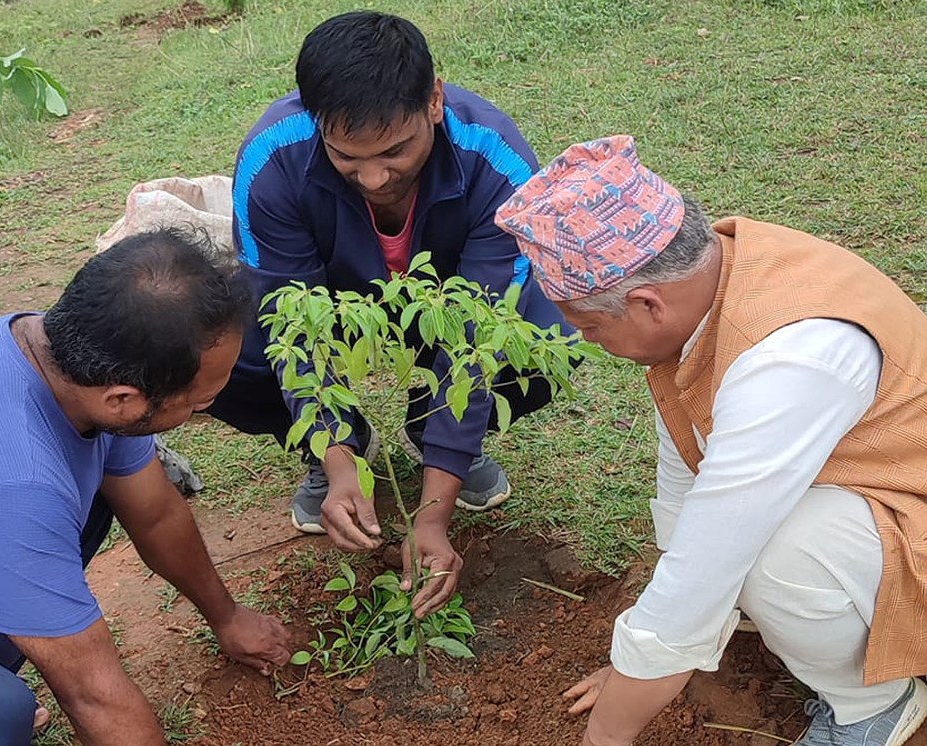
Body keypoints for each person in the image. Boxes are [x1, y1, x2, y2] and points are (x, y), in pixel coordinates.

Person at [494, 135, 927, 746]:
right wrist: (640, 660)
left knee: (773, 555)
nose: (588, 342)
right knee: (734, 555)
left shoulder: (789, 359)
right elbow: (689, 467)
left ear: (647, 304)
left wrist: (609, 729)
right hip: (876, 490)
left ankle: (873, 703)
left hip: (910, 511)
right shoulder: (715, 279)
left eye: (589, 326)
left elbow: (713, 552)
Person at [206, 10, 572, 618]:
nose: (374, 177)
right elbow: (291, 324)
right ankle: (346, 449)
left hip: (448, 306)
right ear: (315, 121)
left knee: (540, 337)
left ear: (433, 100)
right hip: (337, 305)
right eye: (347, 157)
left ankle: (441, 441)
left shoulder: (495, 159)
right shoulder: (274, 158)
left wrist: (433, 515)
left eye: (395, 151)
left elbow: (478, 332)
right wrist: (335, 453)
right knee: (225, 353)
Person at [0, 228, 291, 746]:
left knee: (99, 499)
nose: (205, 413)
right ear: (124, 400)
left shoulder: (71, 358)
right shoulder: (13, 484)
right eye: (199, 403)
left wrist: (228, 616)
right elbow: (92, 694)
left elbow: (155, 512)